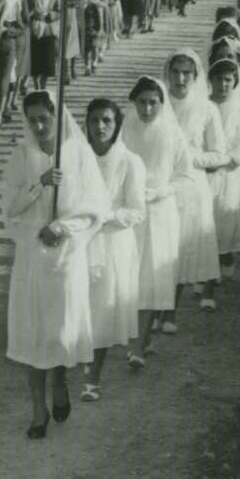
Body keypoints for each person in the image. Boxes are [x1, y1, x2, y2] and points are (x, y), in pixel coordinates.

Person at [4, 91, 109, 439]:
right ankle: (38, 408)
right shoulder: (21, 156)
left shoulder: (78, 153)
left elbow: (97, 206)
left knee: (60, 327)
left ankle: (60, 380)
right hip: (33, 254)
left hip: (66, 251)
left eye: (44, 119)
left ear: (56, 116)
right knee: (33, 329)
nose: (38, 126)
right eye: (32, 119)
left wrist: (63, 226)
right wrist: (38, 185)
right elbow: (9, 210)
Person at [81, 98, 145, 402]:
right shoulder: (77, 160)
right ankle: (80, 360)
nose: (100, 127)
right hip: (78, 243)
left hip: (112, 243)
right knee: (78, 306)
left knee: (102, 309)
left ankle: (93, 378)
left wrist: (104, 218)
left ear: (117, 124)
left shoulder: (130, 162)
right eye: (94, 121)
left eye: (106, 120)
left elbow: (136, 211)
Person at [120, 76, 184, 364]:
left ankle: (139, 344)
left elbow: (185, 175)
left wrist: (161, 191)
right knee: (128, 276)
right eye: (142, 103)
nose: (147, 109)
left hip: (160, 213)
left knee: (151, 277)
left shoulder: (172, 133)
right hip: (130, 213)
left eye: (153, 103)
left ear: (162, 103)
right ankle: (139, 339)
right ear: (133, 103)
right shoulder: (124, 129)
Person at [163, 50, 223, 328]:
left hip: (192, 186)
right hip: (161, 185)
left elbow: (219, 155)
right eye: (175, 72)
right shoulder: (158, 103)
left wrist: (190, 158)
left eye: (187, 73)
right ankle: (153, 311)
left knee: (181, 248)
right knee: (159, 249)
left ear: (196, 76)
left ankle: (169, 312)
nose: (180, 78)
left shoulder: (207, 109)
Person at [206, 57, 240, 295]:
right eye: (218, 79)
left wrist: (227, 159)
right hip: (204, 174)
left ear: (234, 82)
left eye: (228, 79)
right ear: (211, 80)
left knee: (225, 222)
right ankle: (205, 273)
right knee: (204, 222)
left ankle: (225, 261)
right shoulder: (203, 107)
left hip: (228, 174)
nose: (223, 84)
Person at [28, 0, 61, 91]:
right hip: (34, 30)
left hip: (48, 31)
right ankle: (36, 87)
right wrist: (33, 13)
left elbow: (59, 11)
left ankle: (43, 86)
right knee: (35, 62)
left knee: (46, 62)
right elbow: (26, 9)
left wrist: (50, 15)